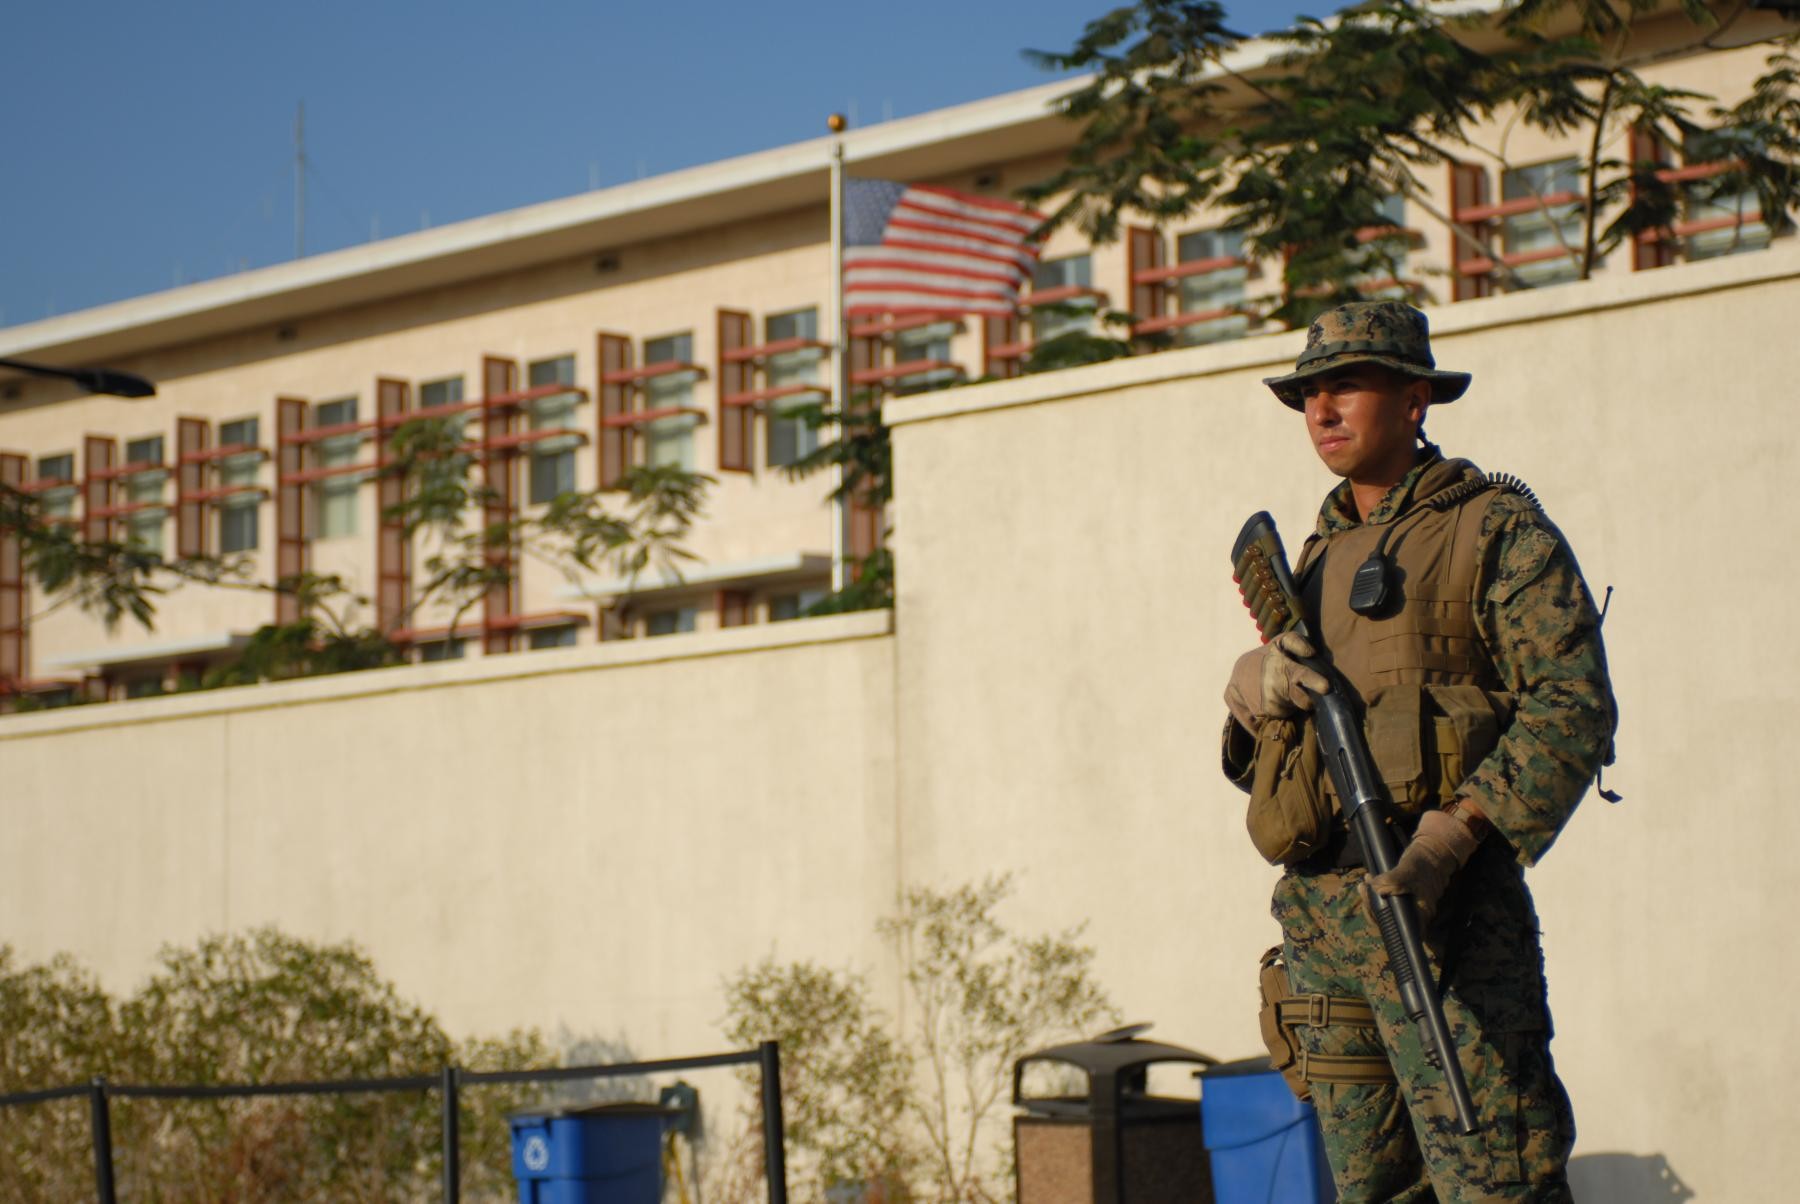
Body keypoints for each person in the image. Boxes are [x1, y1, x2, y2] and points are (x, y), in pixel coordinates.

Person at [1219, 300, 1617, 1203]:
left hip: (1445, 914)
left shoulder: (1495, 532)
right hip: (1324, 920)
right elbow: (1278, 760)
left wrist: (1454, 835)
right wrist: (1252, 695)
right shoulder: (1310, 560)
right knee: (1372, 1191)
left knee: (1495, 1177)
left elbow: (1573, 707)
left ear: (1414, 400)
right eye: (1310, 392)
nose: (1322, 410)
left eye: (1346, 385)